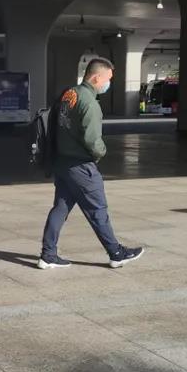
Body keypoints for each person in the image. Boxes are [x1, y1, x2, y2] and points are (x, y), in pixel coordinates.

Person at [38, 58, 144, 269]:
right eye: (108, 79)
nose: (108, 84)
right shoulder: (89, 103)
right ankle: (116, 253)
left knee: (60, 208)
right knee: (97, 210)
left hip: (62, 163)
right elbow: (92, 140)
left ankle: (48, 255)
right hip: (81, 166)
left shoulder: (69, 94)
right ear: (96, 77)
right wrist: (101, 153)